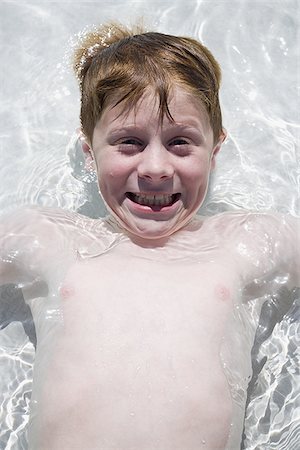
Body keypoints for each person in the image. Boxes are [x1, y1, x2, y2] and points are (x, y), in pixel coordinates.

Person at [0, 21, 299, 450]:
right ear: (90, 153)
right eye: (129, 143)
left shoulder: (242, 241)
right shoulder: (55, 238)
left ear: (214, 152)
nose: (156, 167)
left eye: (180, 142)